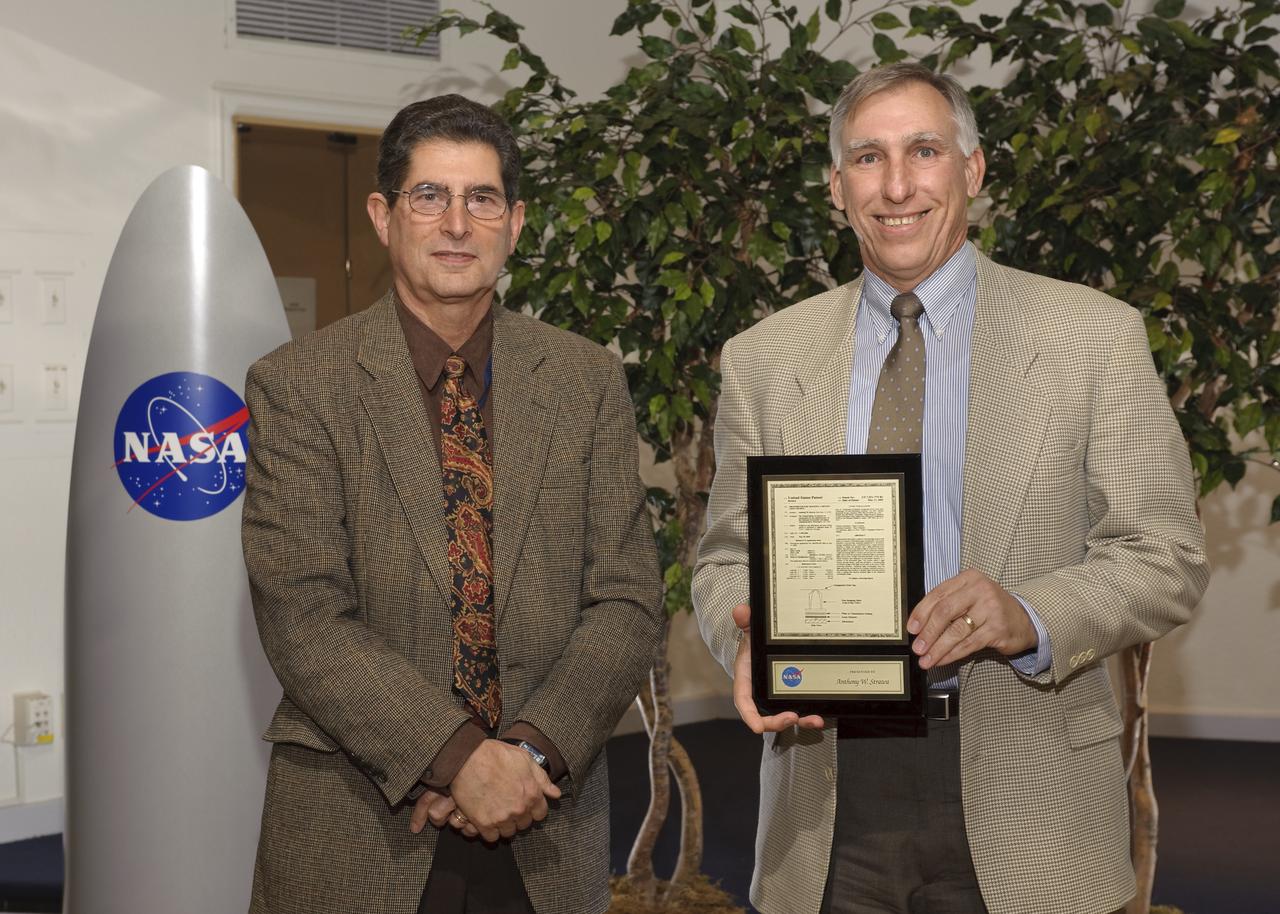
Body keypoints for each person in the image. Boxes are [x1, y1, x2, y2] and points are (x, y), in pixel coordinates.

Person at [691, 62, 1208, 914]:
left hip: (1029, 778)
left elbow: (1165, 555)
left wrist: (1031, 613)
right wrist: (741, 638)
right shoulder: (765, 359)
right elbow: (724, 561)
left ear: (971, 171)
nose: (896, 185)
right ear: (836, 186)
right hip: (826, 791)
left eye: (923, 151)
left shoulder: (1092, 338)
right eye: (867, 158)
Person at [242, 94, 663, 914]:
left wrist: (527, 761)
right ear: (383, 215)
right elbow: (302, 612)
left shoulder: (585, 380)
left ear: (516, 221)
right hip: (359, 823)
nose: (457, 224)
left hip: (546, 821)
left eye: (482, 199)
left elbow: (627, 596)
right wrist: (460, 758)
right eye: (429, 196)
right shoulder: (298, 386)